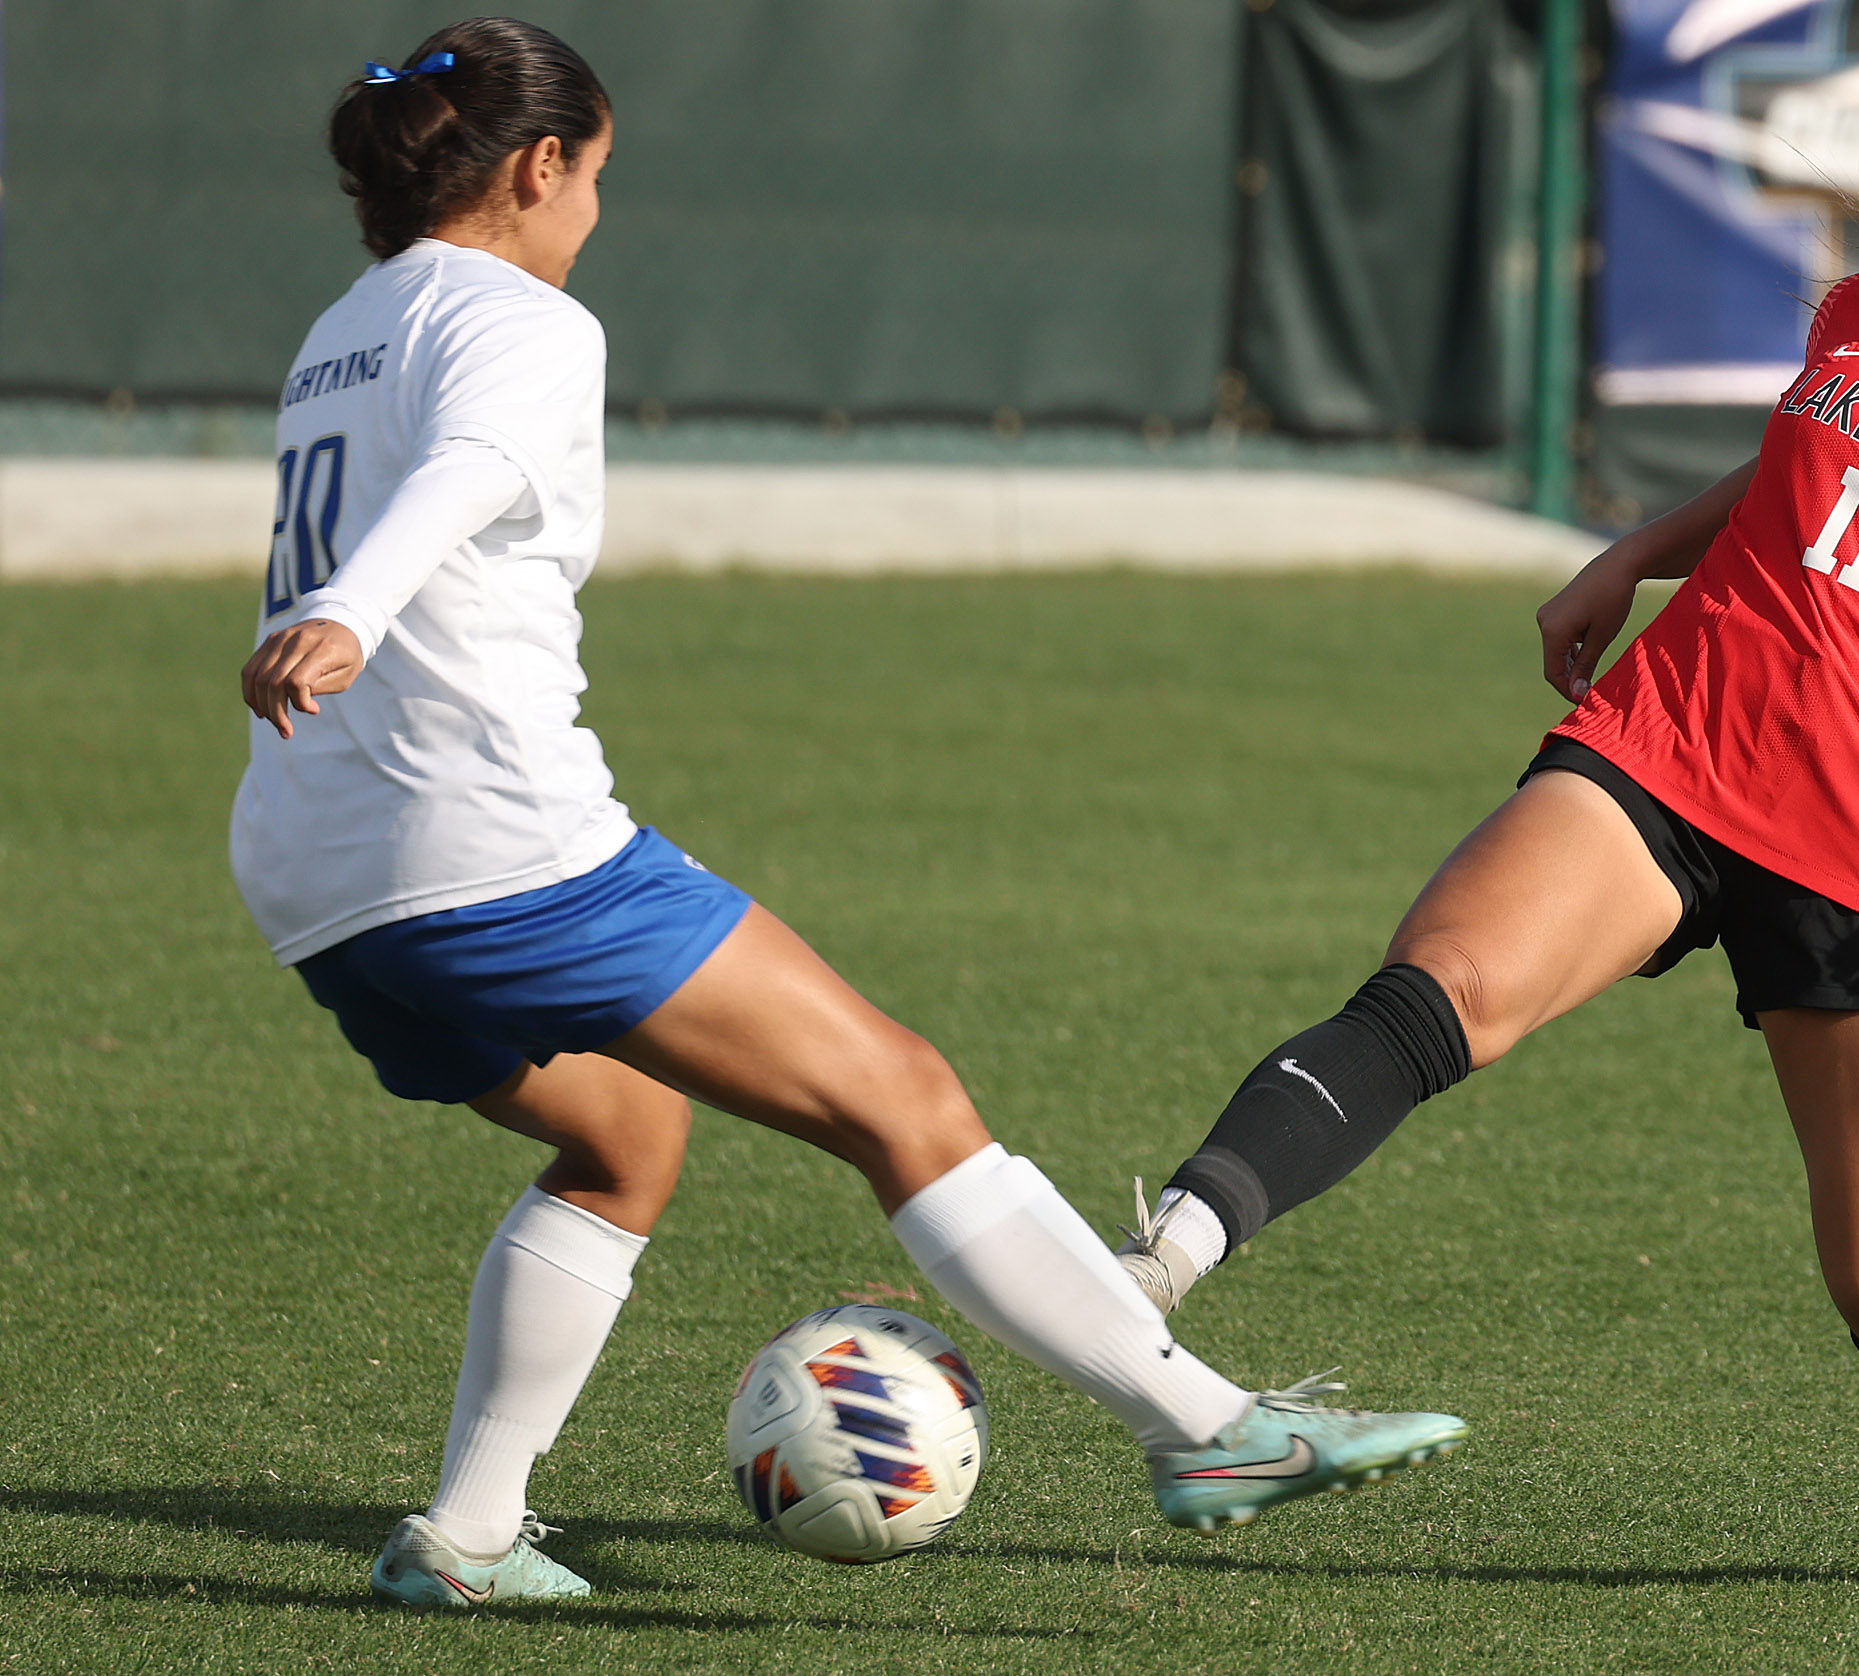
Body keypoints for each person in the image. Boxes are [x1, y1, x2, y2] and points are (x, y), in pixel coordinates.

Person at [234, 18, 1464, 1609]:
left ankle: (468, 1535)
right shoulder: (525, 319)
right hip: (489, 847)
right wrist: (350, 607)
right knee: (902, 1096)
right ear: (539, 167)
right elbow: (464, 472)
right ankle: (1206, 1426)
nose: (597, 209)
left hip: (314, 869)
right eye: (596, 175)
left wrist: (337, 613)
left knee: (621, 1137)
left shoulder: (346, 323)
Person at [1114, 89, 1859, 1602]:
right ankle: (1154, 1267)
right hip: (1672, 751)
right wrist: (1632, 556)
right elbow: (1797, 474)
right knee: (1439, 992)